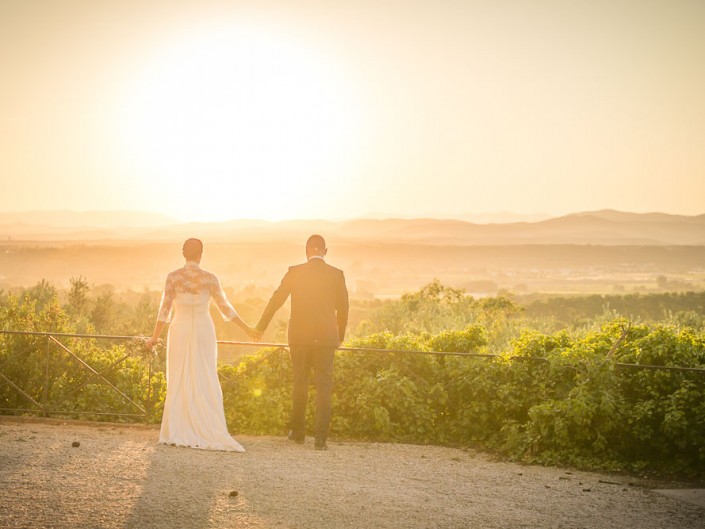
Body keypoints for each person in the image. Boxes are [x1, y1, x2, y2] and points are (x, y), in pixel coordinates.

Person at [146, 238, 258, 452]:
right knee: (205, 374)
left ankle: (179, 426)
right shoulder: (210, 278)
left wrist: (154, 337)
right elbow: (226, 309)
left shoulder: (173, 277)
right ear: (201, 254)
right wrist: (248, 329)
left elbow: (164, 311)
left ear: (183, 253)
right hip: (204, 330)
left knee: (180, 376)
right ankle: (207, 425)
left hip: (180, 329)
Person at [254, 234, 349, 450]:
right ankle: (320, 439)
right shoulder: (337, 275)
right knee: (324, 387)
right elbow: (344, 309)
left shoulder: (294, 272)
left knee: (300, 383)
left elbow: (276, 300)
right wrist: (340, 335)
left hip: (299, 337)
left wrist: (261, 327)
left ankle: (298, 433)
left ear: (306, 251)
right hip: (326, 338)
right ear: (325, 251)